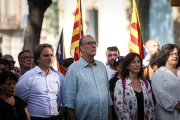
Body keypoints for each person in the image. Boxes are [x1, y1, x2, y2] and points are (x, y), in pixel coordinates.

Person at [62, 35, 113, 120]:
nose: (94, 46)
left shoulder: (101, 66)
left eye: (95, 43)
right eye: (90, 43)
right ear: (82, 48)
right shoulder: (73, 68)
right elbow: (68, 101)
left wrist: (110, 117)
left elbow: (107, 96)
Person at [15, 43, 64, 120]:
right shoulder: (28, 77)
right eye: (46, 55)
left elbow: (61, 97)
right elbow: (19, 101)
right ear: (37, 59)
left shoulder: (57, 76)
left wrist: (61, 107)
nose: (50, 58)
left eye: (51, 55)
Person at [114, 53, 155, 120]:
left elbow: (151, 104)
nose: (137, 64)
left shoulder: (145, 83)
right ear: (127, 66)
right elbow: (119, 107)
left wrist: (149, 117)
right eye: (133, 62)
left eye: (138, 62)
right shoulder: (120, 83)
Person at [152, 44, 180, 120]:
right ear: (164, 56)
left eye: (176, 54)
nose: (175, 56)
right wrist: (176, 105)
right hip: (166, 115)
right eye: (171, 54)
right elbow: (160, 93)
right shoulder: (159, 73)